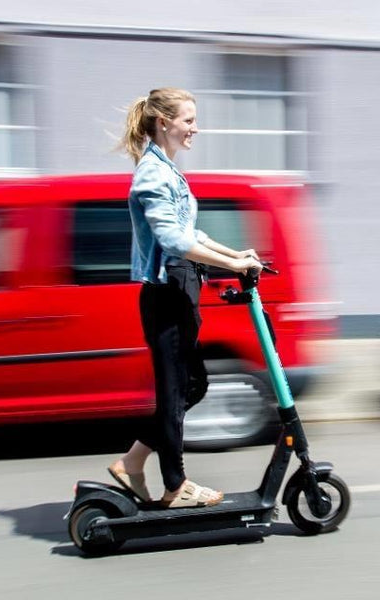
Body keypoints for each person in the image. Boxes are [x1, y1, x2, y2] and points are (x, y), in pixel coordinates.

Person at [108, 87, 262, 508]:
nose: (196, 128)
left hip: (182, 287)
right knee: (175, 392)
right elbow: (173, 239)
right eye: (189, 120)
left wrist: (237, 254)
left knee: (192, 385)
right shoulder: (152, 174)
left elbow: (190, 232)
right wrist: (231, 267)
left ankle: (132, 463)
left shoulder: (168, 170)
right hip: (167, 291)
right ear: (164, 123)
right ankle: (175, 485)